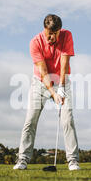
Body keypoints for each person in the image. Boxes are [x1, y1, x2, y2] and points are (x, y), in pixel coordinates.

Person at [14, 14, 80, 170]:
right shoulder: (35, 42)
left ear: (59, 30)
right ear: (44, 29)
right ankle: (23, 159)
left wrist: (62, 87)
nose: (52, 37)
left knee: (67, 120)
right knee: (31, 120)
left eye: (55, 34)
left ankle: (73, 160)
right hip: (40, 83)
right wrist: (53, 92)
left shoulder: (66, 35)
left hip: (61, 81)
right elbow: (43, 72)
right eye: (49, 34)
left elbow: (64, 63)